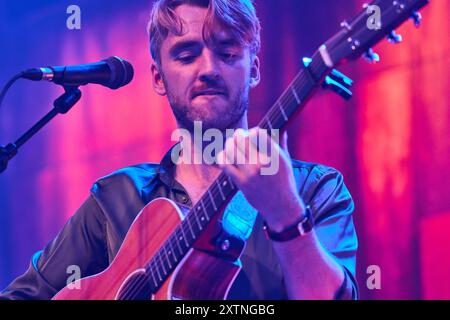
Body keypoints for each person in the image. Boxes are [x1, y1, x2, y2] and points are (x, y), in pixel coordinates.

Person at [0, 0, 357, 300]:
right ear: (158, 77)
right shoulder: (117, 197)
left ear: (254, 69)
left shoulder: (314, 190)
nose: (208, 69)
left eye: (228, 52)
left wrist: (285, 212)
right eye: (187, 56)